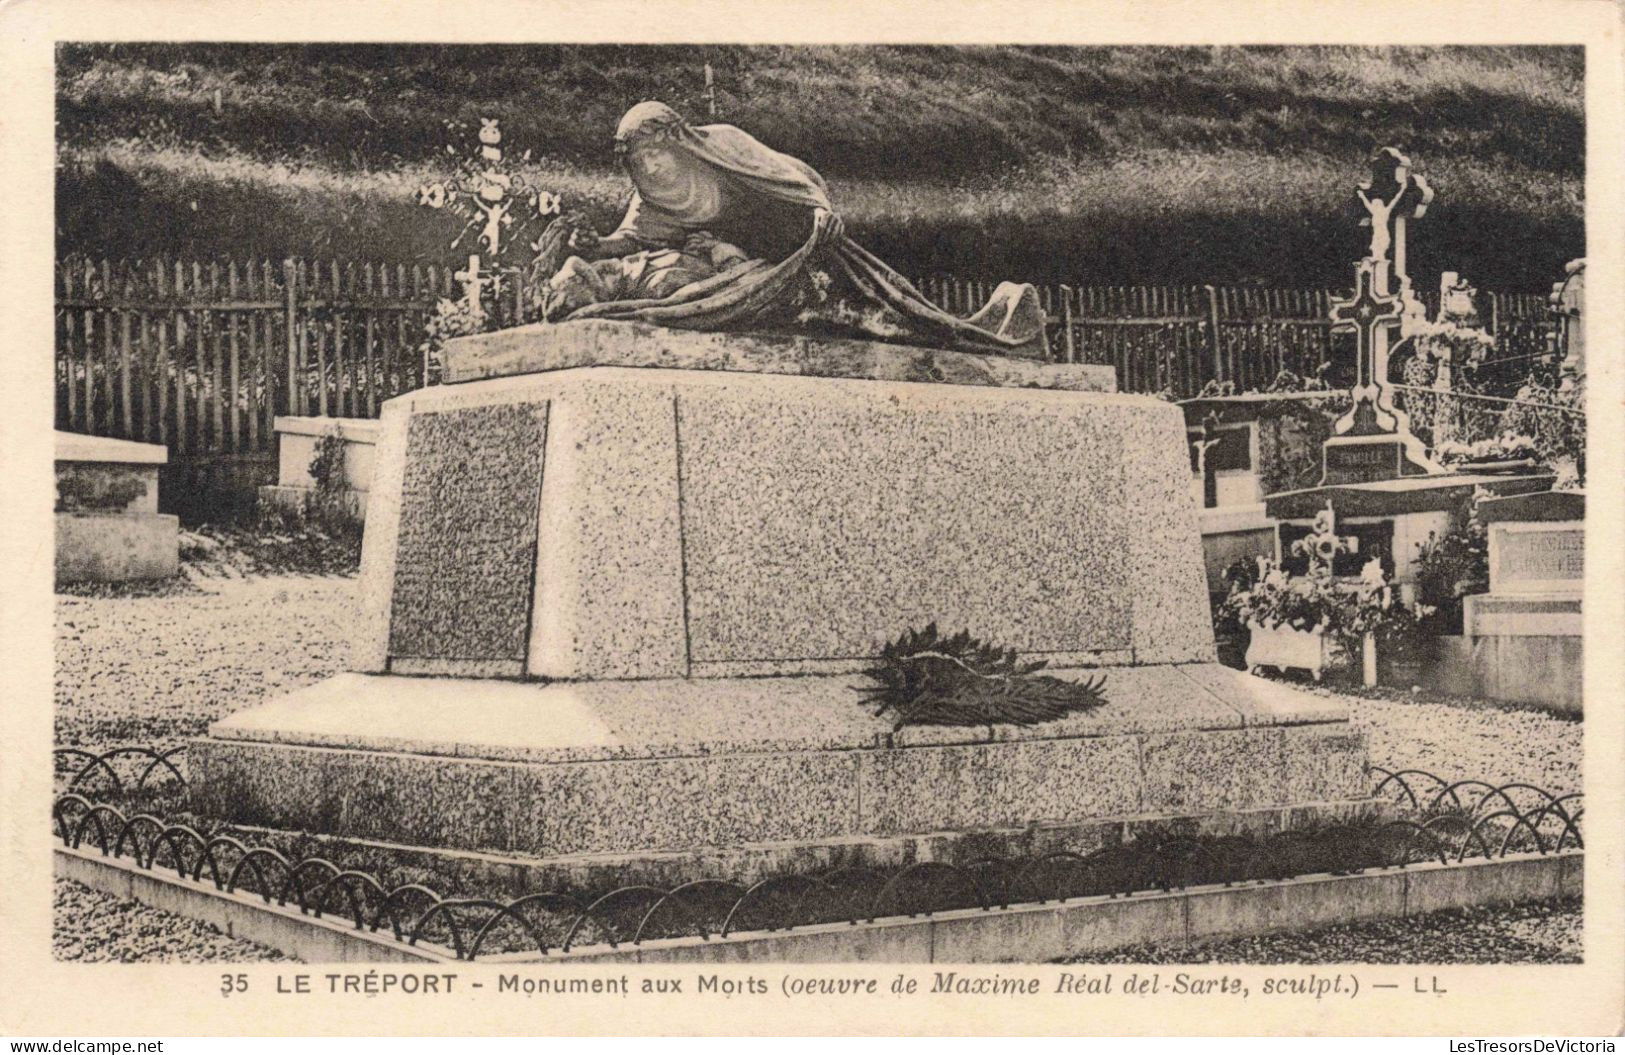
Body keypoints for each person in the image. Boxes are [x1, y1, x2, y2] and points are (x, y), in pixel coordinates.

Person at [535, 101, 1047, 358]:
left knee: (890, 312)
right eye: (640, 161)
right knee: (857, 321)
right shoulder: (652, 200)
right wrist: (596, 244)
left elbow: (795, 178)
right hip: (753, 272)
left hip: (801, 247)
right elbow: (637, 239)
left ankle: (1003, 325)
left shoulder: (725, 146)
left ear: (679, 144)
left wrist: (821, 213)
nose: (652, 169)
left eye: (657, 154)